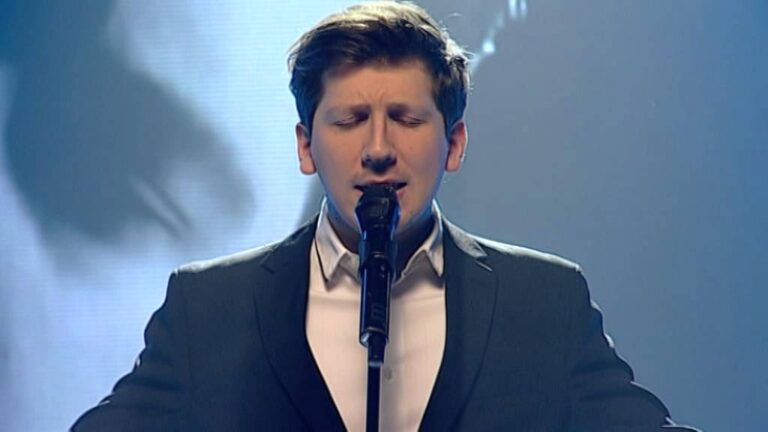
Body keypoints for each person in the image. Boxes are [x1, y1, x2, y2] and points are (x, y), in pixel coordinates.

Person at [72, 1, 699, 430]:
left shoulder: (545, 302)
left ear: (454, 144)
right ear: (304, 146)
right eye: (349, 120)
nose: (377, 148)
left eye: (406, 118)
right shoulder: (208, 307)